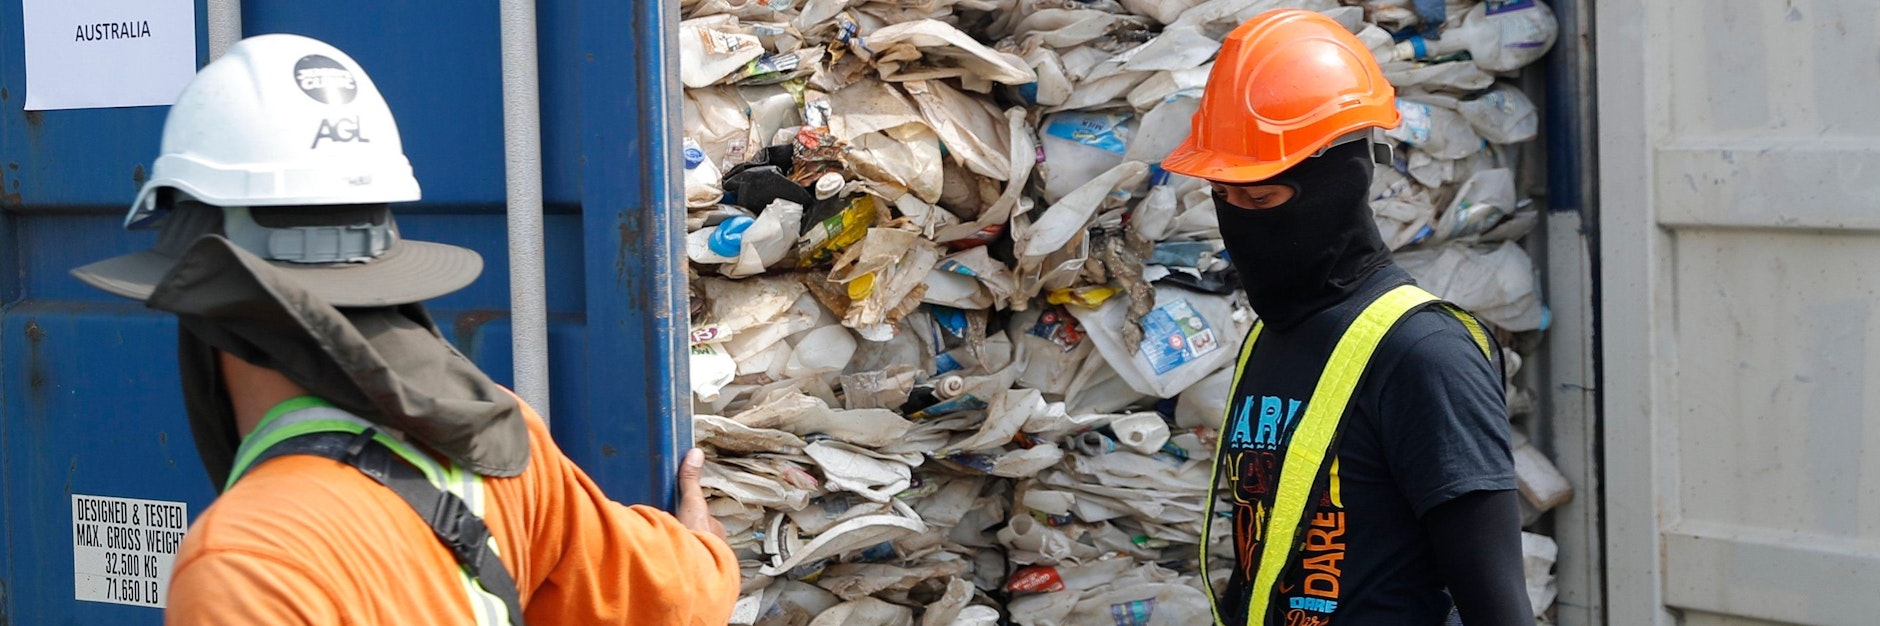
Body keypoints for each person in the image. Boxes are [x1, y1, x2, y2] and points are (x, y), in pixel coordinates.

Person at [71, 34, 739, 625]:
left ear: (204, 300)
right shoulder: (498, 441)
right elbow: (675, 600)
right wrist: (704, 547)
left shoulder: (247, 565)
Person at [1159, 10, 1532, 626]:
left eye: (1261, 199)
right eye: (1224, 197)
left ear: (1340, 183)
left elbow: (1497, 606)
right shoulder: (1271, 338)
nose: (1241, 223)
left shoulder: (1425, 354)